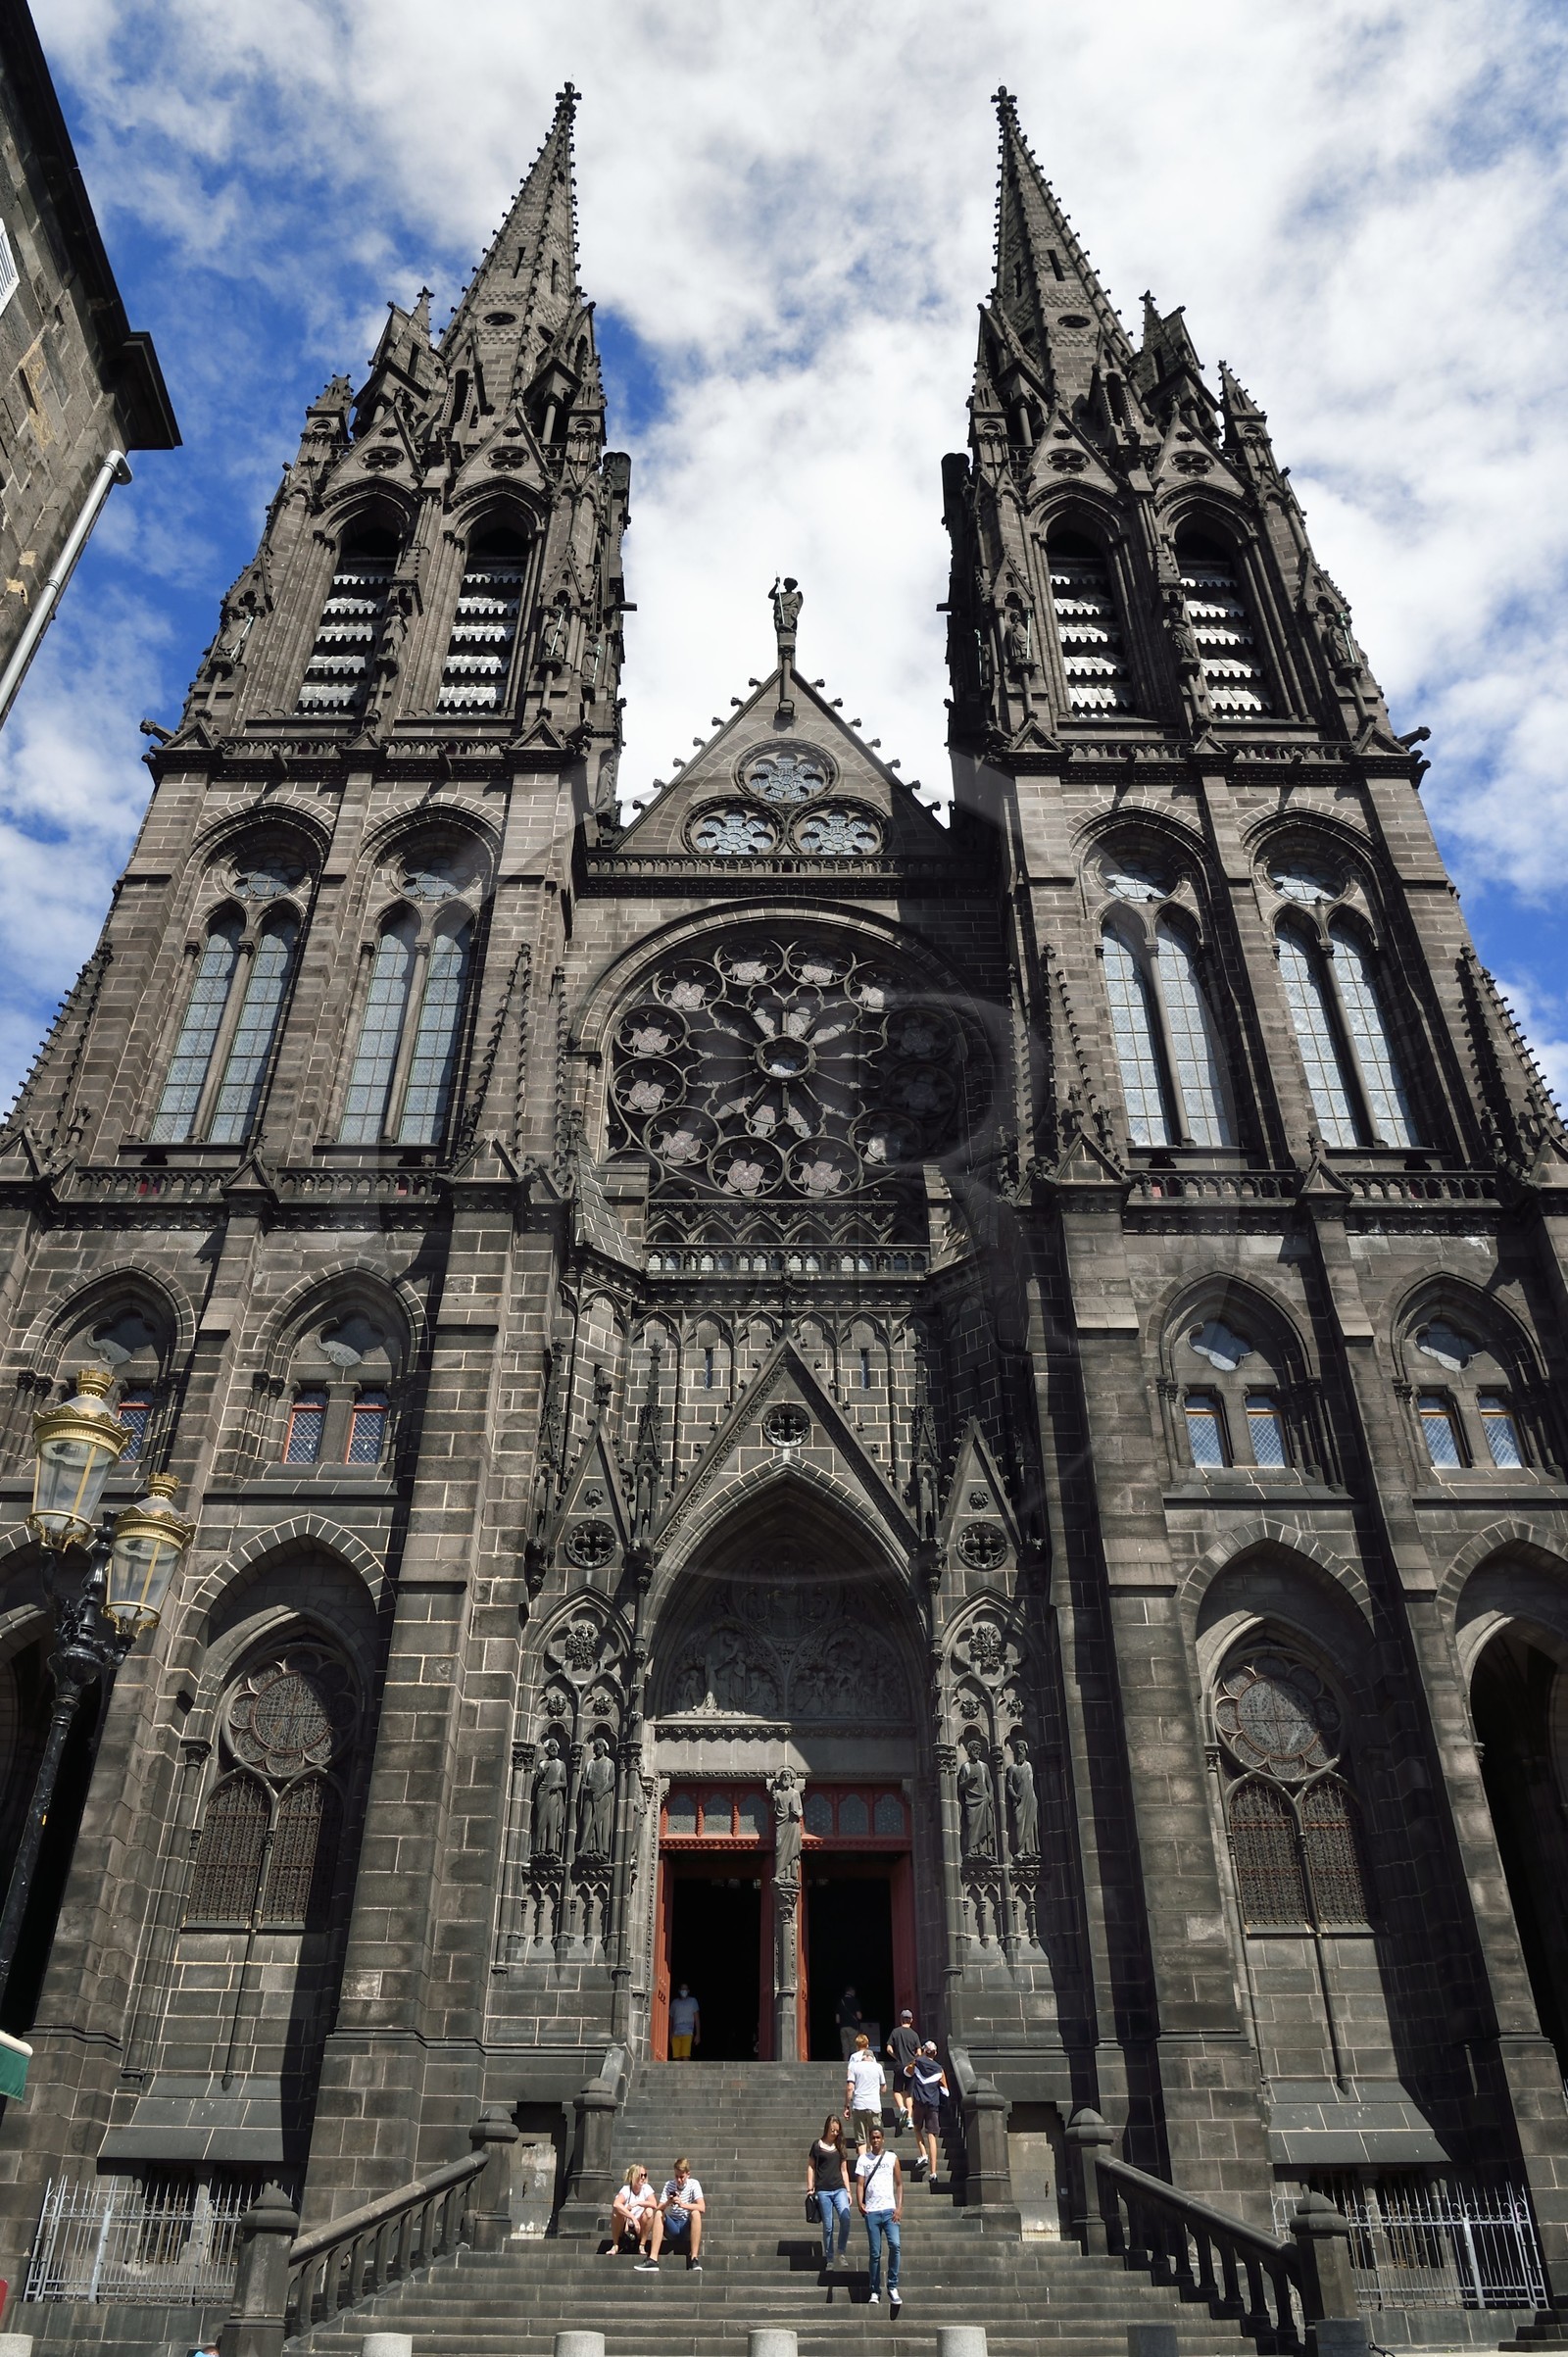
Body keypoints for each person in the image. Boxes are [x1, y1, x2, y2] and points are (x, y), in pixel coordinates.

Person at [855, 2120, 903, 2311]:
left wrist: (899, 2207)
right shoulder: (863, 2160)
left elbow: (899, 2184)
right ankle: (875, 2290)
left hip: (889, 2210)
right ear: (869, 2140)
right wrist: (860, 2202)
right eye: (872, 2138)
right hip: (872, 2211)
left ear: (883, 2139)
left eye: (878, 2137)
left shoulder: (891, 2158)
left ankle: (892, 2285)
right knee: (875, 2253)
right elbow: (860, 2184)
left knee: (895, 2245)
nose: (875, 2140)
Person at [639, 2155, 705, 2272]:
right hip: (672, 2227)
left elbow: (702, 2207)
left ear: (688, 2174)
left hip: (686, 2226)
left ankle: (694, 2259)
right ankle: (653, 2259)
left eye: (681, 2177)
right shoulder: (669, 2185)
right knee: (659, 2214)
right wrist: (668, 2202)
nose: (679, 2180)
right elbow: (658, 2208)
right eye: (676, 2176)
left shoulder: (694, 2184)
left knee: (696, 2213)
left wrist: (682, 2204)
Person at [807, 2111, 853, 2270]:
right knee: (828, 2225)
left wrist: (848, 2191)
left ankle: (841, 2251)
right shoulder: (817, 2145)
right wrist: (810, 2188)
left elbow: (844, 2170)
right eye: (832, 2130)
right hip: (823, 2190)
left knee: (845, 2217)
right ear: (827, 2128)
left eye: (837, 2131)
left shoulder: (840, 2146)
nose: (834, 2133)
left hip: (839, 2188)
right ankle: (830, 2258)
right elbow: (811, 2166)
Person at [906, 2040, 950, 2183]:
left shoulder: (917, 2063)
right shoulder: (939, 2069)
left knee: (917, 2128)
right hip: (933, 2105)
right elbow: (945, 2091)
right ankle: (933, 2173)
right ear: (935, 2053)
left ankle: (923, 2154)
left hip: (919, 2103)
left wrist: (915, 2060)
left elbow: (907, 2072)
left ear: (924, 2051)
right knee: (932, 2136)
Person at [844, 2030, 886, 2153]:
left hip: (859, 2104)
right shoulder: (877, 2066)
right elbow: (883, 2088)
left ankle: (863, 2161)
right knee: (875, 2136)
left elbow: (850, 2086)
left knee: (861, 2139)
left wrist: (847, 2105)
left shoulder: (855, 2064)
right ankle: (874, 2159)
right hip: (874, 2104)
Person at [608, 2163, 658, 2259]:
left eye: (645, 2175)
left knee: (649, 2211)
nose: (643, 2178)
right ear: (633, 2176)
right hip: (626, 2226)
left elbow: (654, 2204)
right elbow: (616, 2204)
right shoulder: (626, 2189)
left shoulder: (646, 2188)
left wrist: (638, 2203)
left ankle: (642, 2245)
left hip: (640, 2226)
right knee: (616, 2212)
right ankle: (615, 2245)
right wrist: (632, 2217)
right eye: (641, 2175)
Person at [886, 2008, 920, 2136]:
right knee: (908, 2093)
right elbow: (919, 2052)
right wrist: (914, 2060)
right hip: (911, 2067)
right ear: (911, 2020)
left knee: (897, 2091)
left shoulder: (896, 2032)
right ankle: (909, 2118)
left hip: (900, 2065)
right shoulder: (914, 2034)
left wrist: (896, 2056)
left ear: (901, 2019)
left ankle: (902, 2108)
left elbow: (889, 2048)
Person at [668, 1983, 700, 2059]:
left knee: (685, 2056)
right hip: (676, 2033)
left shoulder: (693, 2001)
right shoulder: (674, 2003)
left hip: (688, 2033)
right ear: (679, 1991)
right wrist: (670, 2034)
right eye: (682, 1989)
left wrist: (698, 2034)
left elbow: (697, 2019)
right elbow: (671, 2020)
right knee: (677, 2058)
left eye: (685, 1989)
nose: (684, 1991)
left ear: (688, 1991)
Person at [836, 1984, 863, 2060]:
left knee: (845, 2048)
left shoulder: (840, 2002)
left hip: (843, 2028)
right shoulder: (854, 2001)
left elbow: (837, 2020)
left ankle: (845, 2063)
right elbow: (859, 2016)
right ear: (852, 1991)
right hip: (852, 2027)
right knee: (853, 2047)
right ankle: (854, 2062)